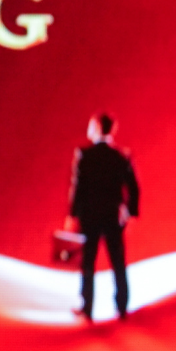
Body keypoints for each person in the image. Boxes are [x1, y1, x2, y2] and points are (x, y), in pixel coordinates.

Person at [66, 113, 140, 321]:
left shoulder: (85, 155)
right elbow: (133, 187)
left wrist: (72, 215)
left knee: (87, 262)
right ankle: (122, 306)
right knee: (118, 261)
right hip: (112, 216)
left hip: (89, 216)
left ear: (97, 128)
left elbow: (78, 188)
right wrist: (130, 213)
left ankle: (87, 307)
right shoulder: (121, 156)